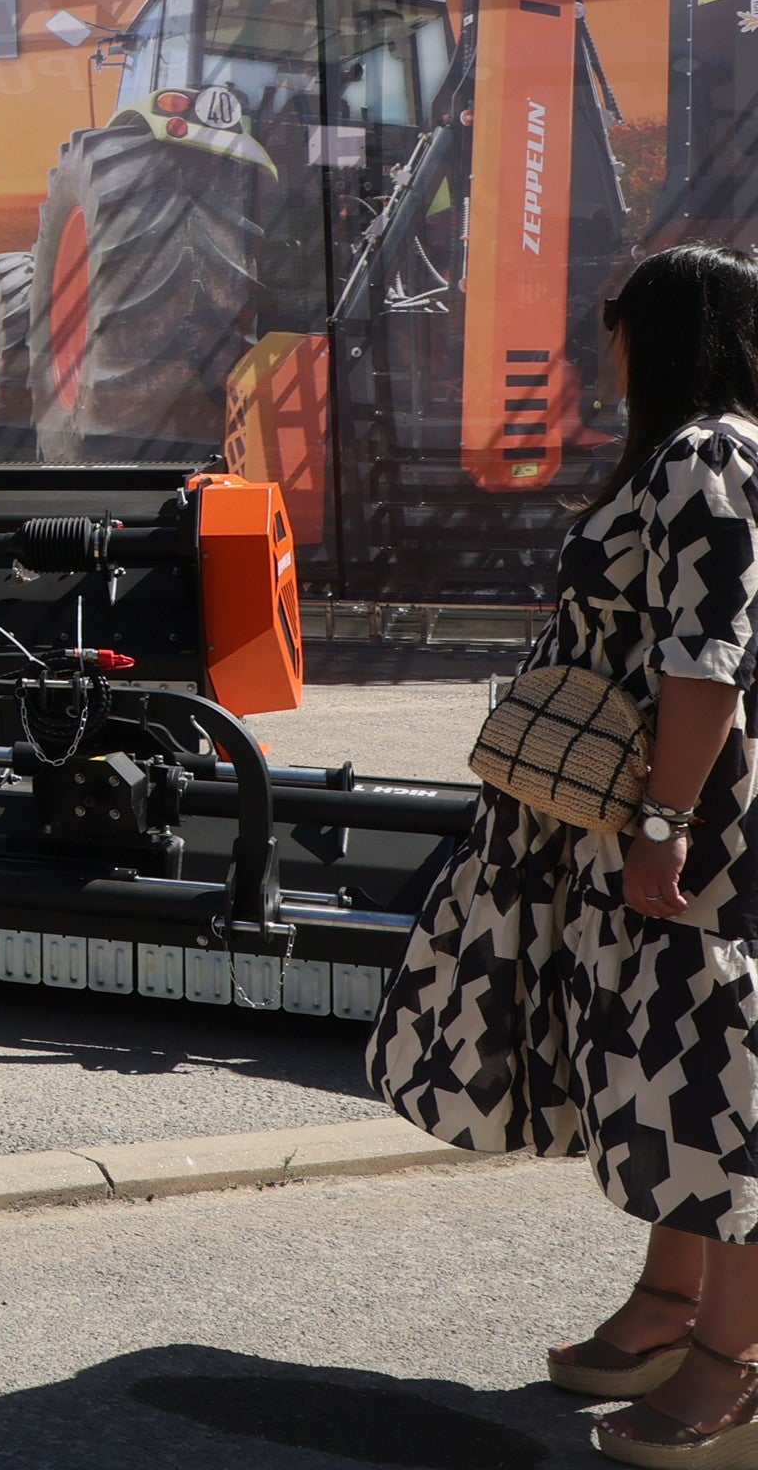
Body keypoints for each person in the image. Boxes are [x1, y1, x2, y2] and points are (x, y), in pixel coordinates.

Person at [366, 244, 758, 1466]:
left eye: (619, 335)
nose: (610, 358)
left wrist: (660, 823)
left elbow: (708, 658)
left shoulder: (709, 453)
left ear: (662, 337)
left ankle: (734, 1368)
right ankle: (668, 1305)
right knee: (667, 1062)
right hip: (650, 805)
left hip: (691, 816)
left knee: (717, 1075)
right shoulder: (698, 451)